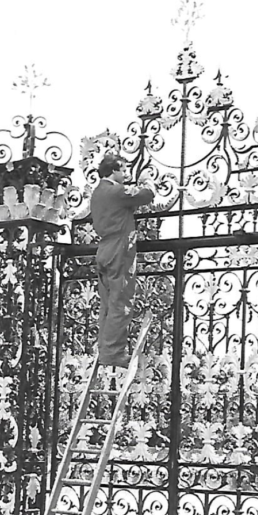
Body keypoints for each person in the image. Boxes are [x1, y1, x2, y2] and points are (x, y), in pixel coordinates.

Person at [89, 154, 154, 367]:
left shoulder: (98, 193)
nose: (126, 175)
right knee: (121, 302)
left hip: (104, 248)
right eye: (123, 170)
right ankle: (113, 354)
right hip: (119, 249)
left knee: (107, 304)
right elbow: (146, 195)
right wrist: (147, 180)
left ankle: (105, 349)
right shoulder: (116, 191)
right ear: (114, 171)